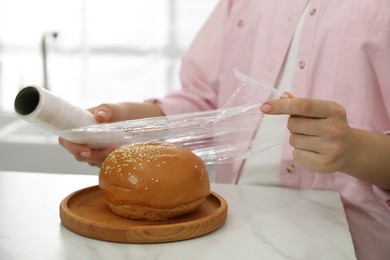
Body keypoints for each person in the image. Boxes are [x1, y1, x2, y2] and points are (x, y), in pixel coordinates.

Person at [59, 0, 390, 259]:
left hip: (350, 242)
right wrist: (138, 122)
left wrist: (355, 151)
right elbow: (207, 101)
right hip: (228, 230)